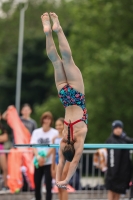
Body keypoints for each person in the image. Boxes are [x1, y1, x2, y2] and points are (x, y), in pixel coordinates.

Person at [41, 12, 88, 189]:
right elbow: (61, 163)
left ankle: (58, 29)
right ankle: (48, 32)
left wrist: (66, 180)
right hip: (65, 97)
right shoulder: (62, 140)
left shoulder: (80, 137)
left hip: (76, 96)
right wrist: (58, 180)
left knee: (68, 59)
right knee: (55, 61)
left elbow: (73, 161)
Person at [30, 111, 58, 200]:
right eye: (45, 118)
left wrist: (45, 157)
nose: (47, 121)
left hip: (48, 162)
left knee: (48, 185)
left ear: (51, 121)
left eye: (49, 119)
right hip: (38, 161)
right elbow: (33, 145)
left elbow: (54, 147)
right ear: (42, 120)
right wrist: (38, 157)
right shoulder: (36, 132)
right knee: (37, 184)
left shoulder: (55, 132)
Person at [105, 120, 133, 200]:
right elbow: (112, 160)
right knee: (111, 191)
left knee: (118, 192)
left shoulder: (124, 139)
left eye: (120, 127)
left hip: (122, 173)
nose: (118, 129)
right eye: (116, 127)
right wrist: (113, 174)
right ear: (113, 129)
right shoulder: (111, 140)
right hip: (113, 173)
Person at [51, 117, 73, 200]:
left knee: (63, 186)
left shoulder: (68, 138)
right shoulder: (54, 138)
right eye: (57, 125)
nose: (58, 127)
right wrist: (52, 166)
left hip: (66, 161)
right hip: (57, 162)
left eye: (60, 125)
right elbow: (53, 153)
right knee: (59, 187)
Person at [0, 112, 8, 191]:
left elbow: (5, 138)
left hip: (1, 148)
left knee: (5, 168)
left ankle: (5, 185)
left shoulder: (2, 127)